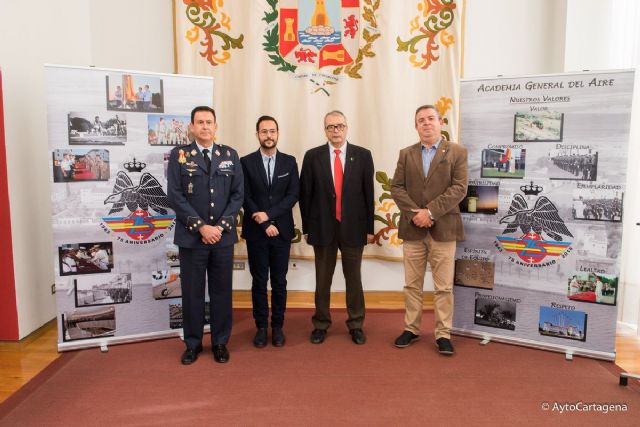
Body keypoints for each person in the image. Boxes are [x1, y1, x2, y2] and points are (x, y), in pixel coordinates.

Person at [167, 106, 243, 365]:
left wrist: (219, 227)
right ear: (191, 127)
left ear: (216, 126)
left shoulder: (229, 155)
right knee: (192, 292)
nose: (205, 127)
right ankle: (193, 343)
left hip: (222, 238)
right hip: (192, 238)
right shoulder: (179, 155)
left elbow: (237, 195)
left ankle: (220, 342)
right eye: (199, 122)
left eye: (209, 122)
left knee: (222, 292)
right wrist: (201, 227)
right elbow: (175, 195)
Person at [390, 104, 468, 355]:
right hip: (413, 229)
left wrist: (430, 212)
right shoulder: (406, 153)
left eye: (430, 119)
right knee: (412, 285)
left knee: (443, 287)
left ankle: (443, 334)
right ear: (415, 126)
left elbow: (459, 188)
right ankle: (411, 329)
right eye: (421, 120)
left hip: (443, 229)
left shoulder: (457, 151)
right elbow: (397, 188)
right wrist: (417, 214)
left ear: (441, 122)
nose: (426, 123)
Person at [299, 110, 374, 345]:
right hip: (322, 228)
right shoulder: (313, 156)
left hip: (354, 228)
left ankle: (356, 324)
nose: (336, 130)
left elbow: (368, 194)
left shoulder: (362, 155)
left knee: (354, 279)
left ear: (347, 127)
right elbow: (305, 195)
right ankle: (321, 323)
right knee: (323, 279)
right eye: (331, 127)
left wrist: (369, 228)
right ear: (325, 130)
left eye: (340, 126)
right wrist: (307, 228)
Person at [241, 115, 299, 348]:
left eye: (272, 131)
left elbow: (293, 195)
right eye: (264, 131)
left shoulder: (289, 161)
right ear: (257, 135)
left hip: (282, 232)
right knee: (258, 281)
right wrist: (263, 222)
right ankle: (261, 327)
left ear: (278, 133)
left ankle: (277, 327)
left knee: (279, 281)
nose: (268, 135)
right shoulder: (245, 162)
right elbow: (245, 195)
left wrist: (270, 216)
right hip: (256, 232)